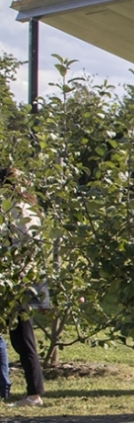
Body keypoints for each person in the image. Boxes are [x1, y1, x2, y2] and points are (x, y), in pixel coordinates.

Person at [1, 167, 45, 408]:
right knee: (21, 337)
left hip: (19, 279)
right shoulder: (28, 207)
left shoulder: (17, 209)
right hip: (26, 278)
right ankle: (33, 392)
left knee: (22, 337)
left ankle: (34, 393)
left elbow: (24, 242)